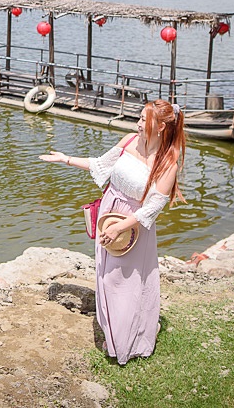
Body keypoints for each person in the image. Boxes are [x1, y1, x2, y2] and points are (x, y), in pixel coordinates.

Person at [39, 99, 186, 364]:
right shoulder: (130, 140)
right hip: (109, 213)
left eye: (144, 120)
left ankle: (131, 339)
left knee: (125, 282)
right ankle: (114, 331)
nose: (138, 124)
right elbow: (101, 165)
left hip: (133, 226)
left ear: (162, 127)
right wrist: (66, 159)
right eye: (139, 118)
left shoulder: (168, 162)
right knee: (105, 275)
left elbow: (151, 209)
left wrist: (121, 225)